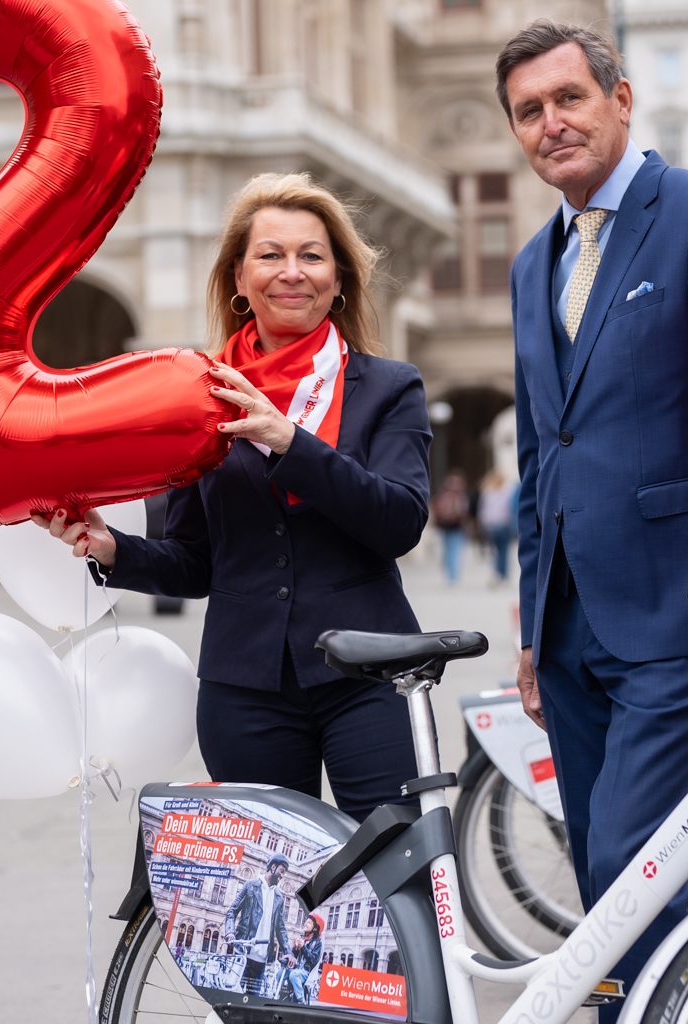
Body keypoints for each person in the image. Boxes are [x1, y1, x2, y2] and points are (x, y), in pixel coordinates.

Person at [496, 20, 688, 1011]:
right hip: (570, 623)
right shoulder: (533, 265)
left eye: (568, 98)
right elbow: (540, 455)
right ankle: (647, 1003)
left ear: (620, 99)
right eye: (529, 112)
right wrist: (532, 621)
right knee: (600, 862)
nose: (551, 123)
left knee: (629, 852)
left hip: (677, 604)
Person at [35, 172, 431, 821]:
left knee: (391, 871)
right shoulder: (198, 398)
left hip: (368, 676)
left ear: (337, 279)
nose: (291, 272)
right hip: (246, 687)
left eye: (311, 255)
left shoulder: (388, 387)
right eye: (270, 255)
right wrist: (111, 549)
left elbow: (399, 522)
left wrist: (289, 441)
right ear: (240, 280)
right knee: (263, 899)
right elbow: (194, 563)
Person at [223, 854, 292, 995]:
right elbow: (232, 911)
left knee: (252, 1002)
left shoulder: (279, 897)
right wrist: (230, 932)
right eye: (281, 871)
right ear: (273, 867)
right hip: (242, 954)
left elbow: (281, 928)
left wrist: (288, 951)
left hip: (261, 961)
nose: (282, 876)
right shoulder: (250, 886)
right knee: (233, 997)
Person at [475, 469, 518, 585]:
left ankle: (497, 573)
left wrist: (483, 523)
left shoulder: (487, 491)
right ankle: (504, 574)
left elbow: (483, 509)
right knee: (504, 550)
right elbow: (510, 508)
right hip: (504, 523)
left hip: (491, 524)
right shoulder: (507, 491)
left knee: (495, 551)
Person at [429, 470, 471, 584]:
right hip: (456, 526)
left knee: (448, 550)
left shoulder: (442, 495)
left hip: (446, 526)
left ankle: (450, 573)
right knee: (454, 550)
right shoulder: (460, 496)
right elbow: (464, 512)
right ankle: (452, 574)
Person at [285, 912, 324, 1004]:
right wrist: (295, 948)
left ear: (315, 928)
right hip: (297, 969)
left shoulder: (318, 943)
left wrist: (303, 947)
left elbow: (313, 960)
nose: (306, 923)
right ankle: (283, 995)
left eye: (309, 922)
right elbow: (294, 957)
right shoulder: (303, 939)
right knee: (280, 973)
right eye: (306, 921)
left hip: (306, 972)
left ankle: (301, 1001)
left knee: (294, 975)